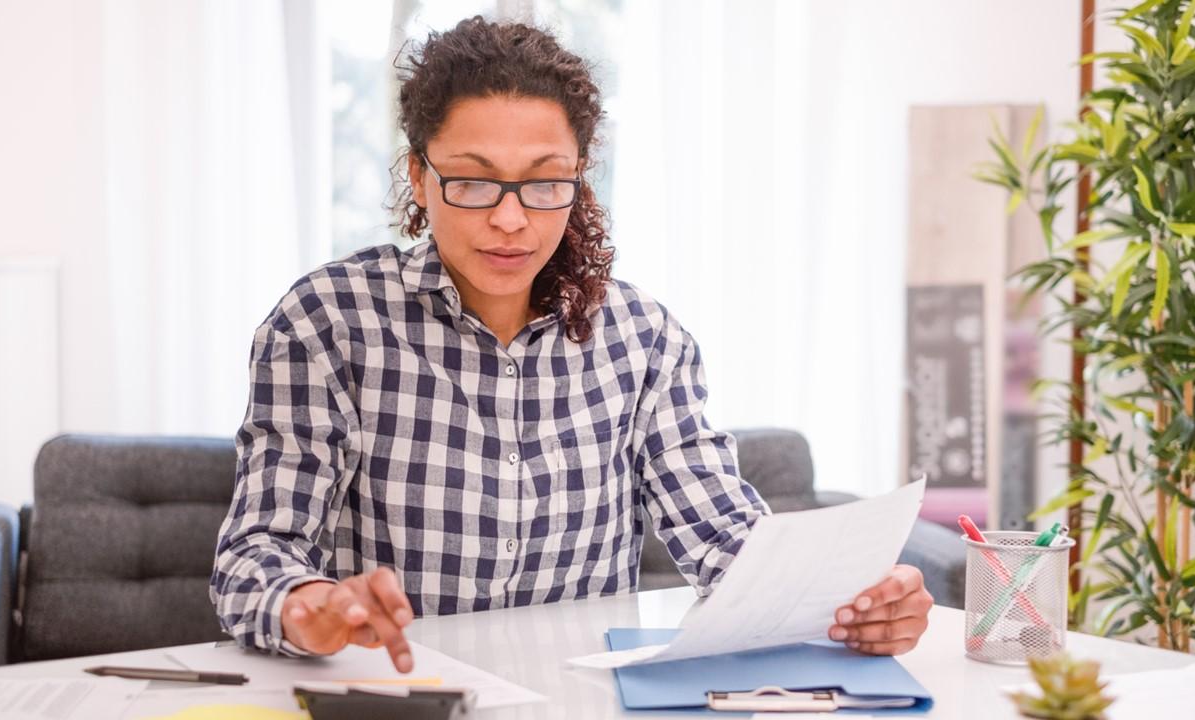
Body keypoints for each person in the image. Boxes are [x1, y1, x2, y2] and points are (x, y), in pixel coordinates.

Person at [210, 16, 932, 674]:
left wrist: (854, 603)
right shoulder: (325, 322)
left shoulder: (645, 341)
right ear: (420, 180)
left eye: (545, 183)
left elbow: (729, 541)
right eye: (472, 182)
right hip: (403, 691)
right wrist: (308, 606)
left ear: (578, 180)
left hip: (579, 699)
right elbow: (257, 554)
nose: (511, 219)